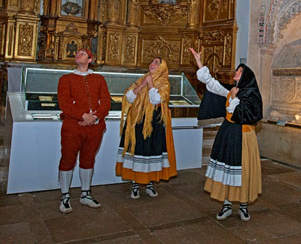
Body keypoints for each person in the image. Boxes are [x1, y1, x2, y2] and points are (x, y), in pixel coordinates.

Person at [190, 48, 262, 221]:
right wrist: (199, 62)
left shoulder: (251, 94)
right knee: (228, 168)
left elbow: (247, 114)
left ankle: (243, 205)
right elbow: (212, 84)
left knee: (243, 169)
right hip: (228, 133)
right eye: (237, 70)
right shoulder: (231, 90)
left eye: (239, 71)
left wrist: (235, 98)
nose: (236, 72)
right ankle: (227, 204)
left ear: (245, 76)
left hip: (244, 136)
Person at [57, 48, 111, 214]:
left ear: (90, 59)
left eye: (82, 53)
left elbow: (106, 101)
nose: (77, 53)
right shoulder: (65, 79)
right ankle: (65, 195)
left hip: (95, 127)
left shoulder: (99, 78)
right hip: (72, 127)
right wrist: (82, 115)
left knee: (88, 158)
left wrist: (96, 117)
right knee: (68, 158)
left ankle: (85, 194)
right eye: (77, 52)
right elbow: (64, 103)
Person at [116, 57, 177, 199]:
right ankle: (135, 184)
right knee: (136, 150)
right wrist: (142, 85)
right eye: (152, 62)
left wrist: (150, 85)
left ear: (162, 67)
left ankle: (149, 183)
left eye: (157, 63)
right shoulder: (142, 79)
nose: (152, 64)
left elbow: (157, 100)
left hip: (153, 123)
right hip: (136, 121)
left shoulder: (164, 83)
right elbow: (129, 97)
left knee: (150, 151)